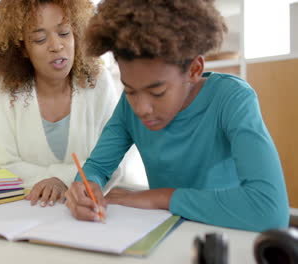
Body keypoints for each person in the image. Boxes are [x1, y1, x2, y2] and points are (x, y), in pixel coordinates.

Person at [65, 0, 289, 232]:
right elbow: (97, 168)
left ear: (194, 70)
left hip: (225, 233)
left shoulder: (232, 99)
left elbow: (270, 212)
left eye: (157, 92)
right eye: (130, 90)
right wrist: (85, 187)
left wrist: (161, 198)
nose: (141, 107)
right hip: (166, 235)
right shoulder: (128, 107)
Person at [0, 0, 120, 207]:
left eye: (64, 33)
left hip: (87, 212)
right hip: (23, 214)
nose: (56, 46)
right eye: (39, 39)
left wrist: (58, 180)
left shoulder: (98, 82)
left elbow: (114, 163)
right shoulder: (1, 88)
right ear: (23, 49)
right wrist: (62, 178)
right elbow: (0, 168)